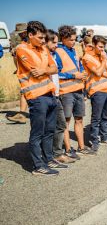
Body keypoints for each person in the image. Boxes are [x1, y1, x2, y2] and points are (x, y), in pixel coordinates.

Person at [15, 21, 62, 175]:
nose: (43, 41)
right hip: (36, 97)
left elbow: (55, 68)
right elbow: (34, 70)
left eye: (44, 38)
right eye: (40, 38)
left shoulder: (43, 49)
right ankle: (38, 166)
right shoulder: (21, 50)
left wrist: (45, 70)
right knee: (38, 133)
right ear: (30, 35)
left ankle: (48, 159)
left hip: (50, 94)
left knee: (49, 130)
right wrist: (46, 69)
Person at [56, 25, 90, 158]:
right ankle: (68, 149)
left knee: (79, 119)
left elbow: (79, 66)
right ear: (63, 39)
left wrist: (82, 72)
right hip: (66, 91)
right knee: (66, 121)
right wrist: (73, 76)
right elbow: (56, 73)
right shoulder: (58, 52)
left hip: (78, 90)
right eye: (70, 39)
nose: (73, 42)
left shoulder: (75, 50)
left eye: (75, 39)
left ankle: (81, 146)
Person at [81, 35, 107, 152]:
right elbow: (97, 72)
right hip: (96, 90)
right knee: (96, 118)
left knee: (105, 116)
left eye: (103, 47)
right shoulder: (87, 57)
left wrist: (102, 72)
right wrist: (104, 62)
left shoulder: (102, 55)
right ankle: (94, 140)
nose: (102, 49)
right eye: (100, 47)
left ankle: (105, 137)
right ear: (94, 45)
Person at [46, 29, 74, 165]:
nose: (56, 45)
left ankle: (56, 153)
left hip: (56, 95)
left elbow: (59, 71)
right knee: (53, 125)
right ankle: (53, 154)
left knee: (60, 124)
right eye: (54, 42)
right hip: (48, 95)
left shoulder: (54, 54)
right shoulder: (44, 56)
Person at [6, 23, 30, 124]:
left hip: (30, 71)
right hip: (25, 71)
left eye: (21, 33)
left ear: (25, 32)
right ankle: (22, 114)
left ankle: (22, 115)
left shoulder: (29, 43)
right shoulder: (24, 43)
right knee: (24, 92)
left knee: (25, 91)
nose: (19, 35)